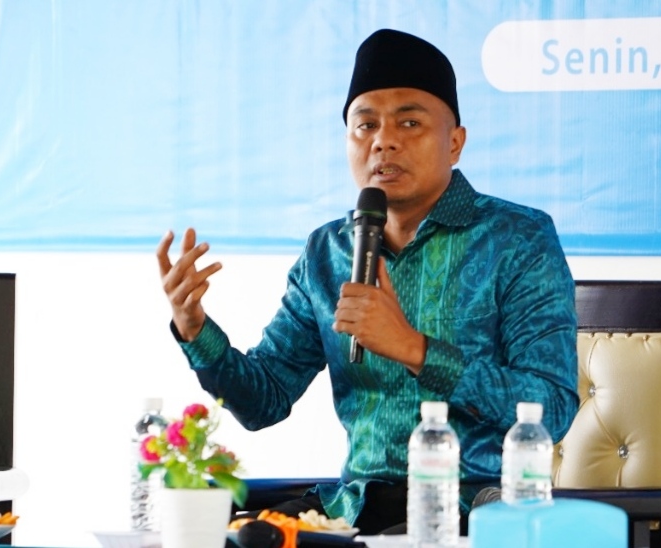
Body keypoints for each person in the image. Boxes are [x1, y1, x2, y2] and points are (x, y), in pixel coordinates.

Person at [156, 28, 579, 534]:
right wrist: (195, 329)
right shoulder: (328, 252)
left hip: (470, 514)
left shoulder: (518, 238)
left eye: (409, 122)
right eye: (366, 125)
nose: (384, 140)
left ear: (455, 143)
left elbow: (551, 408)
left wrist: (415, 349)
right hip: (354, 513)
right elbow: (262, 400)